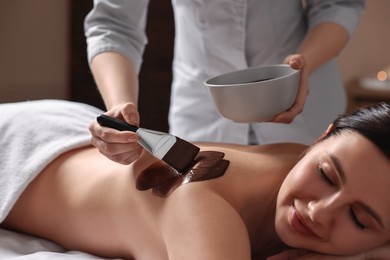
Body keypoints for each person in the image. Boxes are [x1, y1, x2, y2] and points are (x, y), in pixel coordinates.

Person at [0, 99, 389, 260]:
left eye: (360, 219)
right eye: (325, 175)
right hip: (20, 149)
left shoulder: (297, 162)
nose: (320, 212)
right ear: (321, 138)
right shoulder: (205, 202)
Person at [85, 0, 365, 165]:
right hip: (201, 117)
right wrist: (120, 107)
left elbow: (338, 4)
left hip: (306, 110)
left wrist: (302, 65)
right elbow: (114, 24)